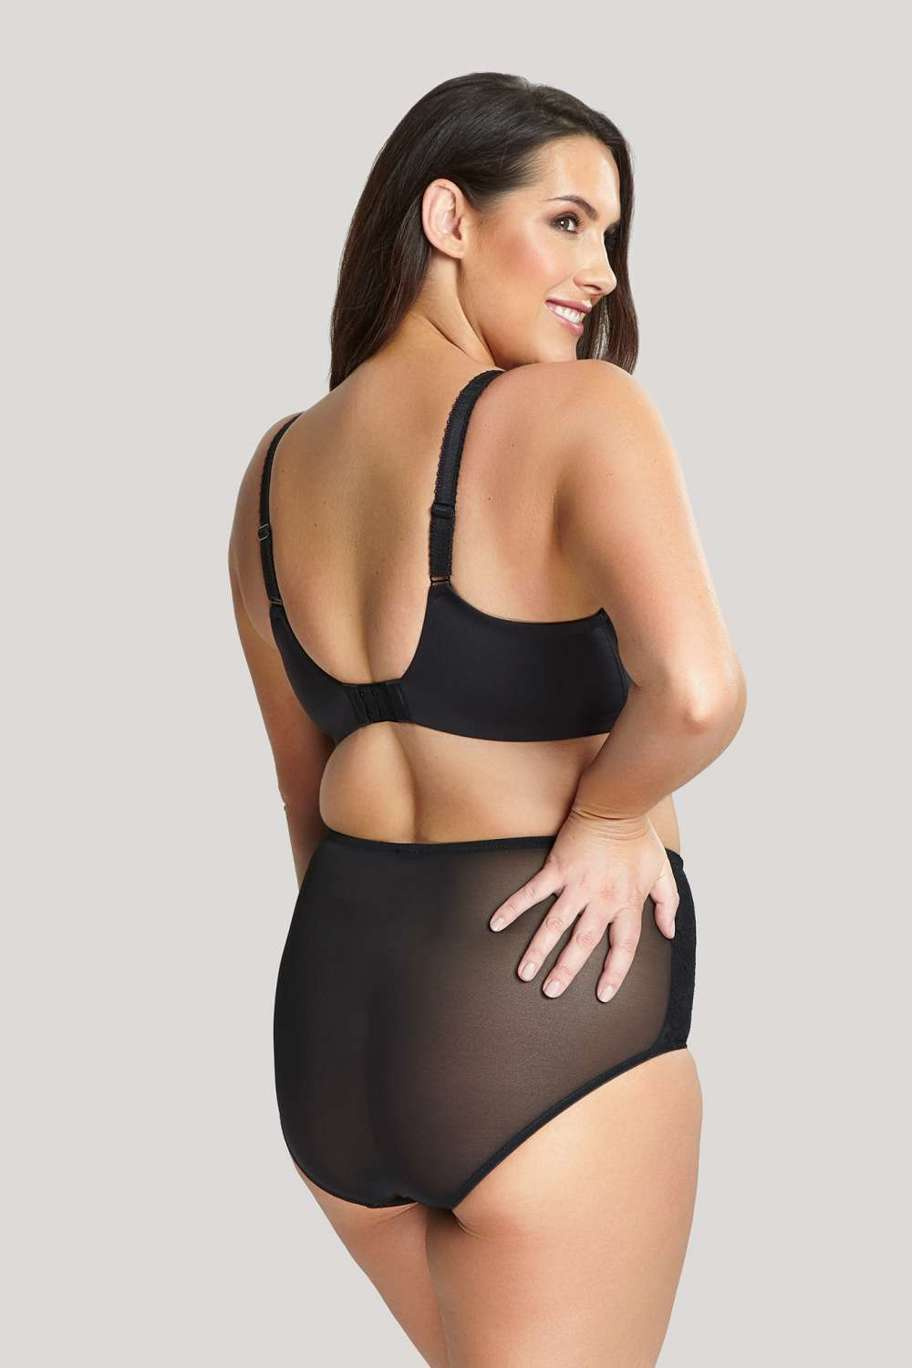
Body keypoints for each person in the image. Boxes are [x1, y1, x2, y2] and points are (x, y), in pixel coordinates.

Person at [228, 72, 746, 1368]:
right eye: (568, 221)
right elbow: (697, 692)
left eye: (613, 236)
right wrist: (612, 813)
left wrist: (398, 988)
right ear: (449, 216)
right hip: (538, 1019)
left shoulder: (276, 472)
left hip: (334, 1030)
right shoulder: (577, 410)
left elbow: (303, 787)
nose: (603, 272)